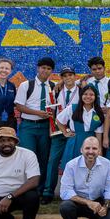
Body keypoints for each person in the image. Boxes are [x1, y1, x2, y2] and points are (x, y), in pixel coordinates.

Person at [59, 137, 110, 219]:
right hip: (78, 201)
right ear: (81, 149)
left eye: (94, 148)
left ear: (99, 150)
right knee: (65, 207)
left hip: (98, 201)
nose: (90, 151)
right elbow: (65, 191)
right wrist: (88, 202)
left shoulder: (107, 164)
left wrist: (105, 207)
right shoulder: (71, 165)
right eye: (87, 148)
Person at [14, 56, 56, 200]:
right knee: (28, 158)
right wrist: (37, 113)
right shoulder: (26, 85)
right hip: (29, 126)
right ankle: (26, 189)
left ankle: (40, 188)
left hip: (45, 127)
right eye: (43, 67)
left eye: (48, 68)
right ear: (38, 68)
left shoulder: (53, 86)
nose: (45, 71)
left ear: (52, 71)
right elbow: (19, 105)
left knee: (43, 159)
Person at [43, 65, 78, 202]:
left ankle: (73, 191)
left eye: (70, 75)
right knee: (53, 161)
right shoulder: (55, 91)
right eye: (65, 76)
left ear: (75, 76)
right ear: (61, 78)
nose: (68, 78)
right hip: (58, 131)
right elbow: (50, 110)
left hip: (74, 132)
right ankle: (48, 191)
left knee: (73, 161)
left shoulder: (82, 90)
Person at [55, 84, 105, 169]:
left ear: (95, 97)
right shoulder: (72, 108)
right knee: (73, 168)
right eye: (85, 94)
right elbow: (59, 120)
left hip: (91, 143)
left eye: (91, 94)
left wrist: (99, 149)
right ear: (81, 95)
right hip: (75, 141)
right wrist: (65, 132)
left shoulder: (98, 112)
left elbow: (98, 133)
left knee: (89, 168)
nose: (88, 97)